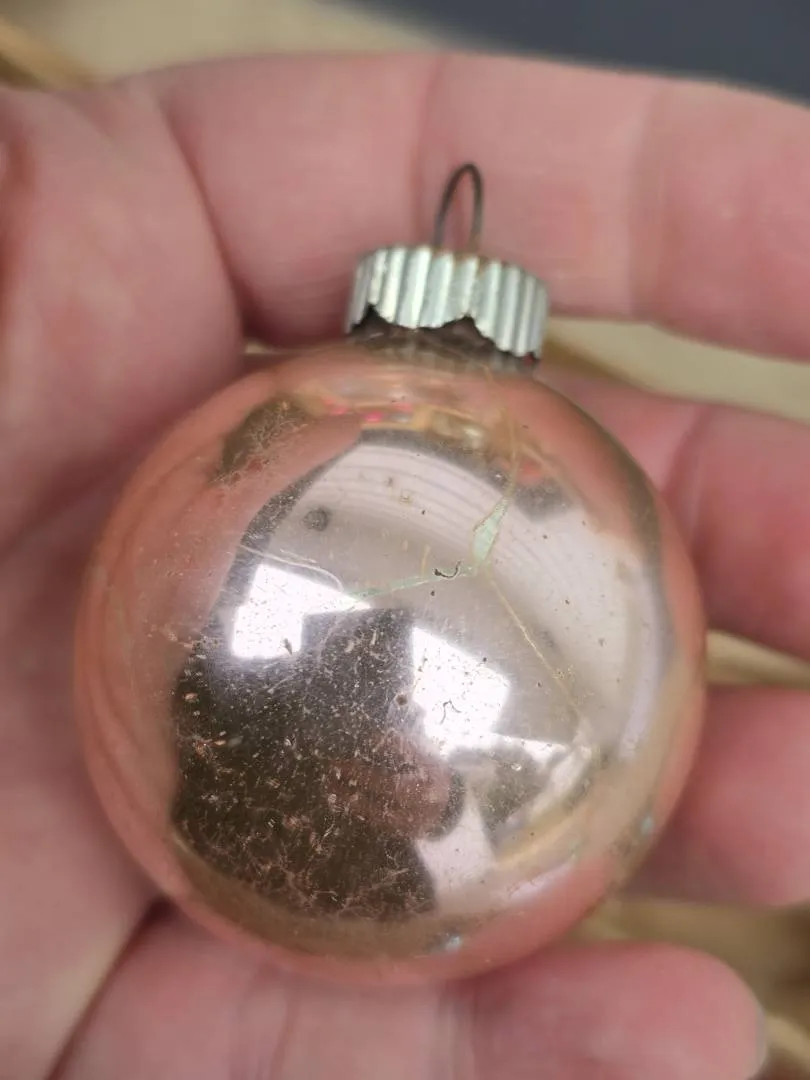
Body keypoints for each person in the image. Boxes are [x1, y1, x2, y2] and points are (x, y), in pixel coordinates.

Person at [4, 48, 806, 1079]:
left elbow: (459, 852)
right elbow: (197, 731)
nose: (374, 691)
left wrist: (437, 814)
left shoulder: (450, 791)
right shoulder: (230, 677)